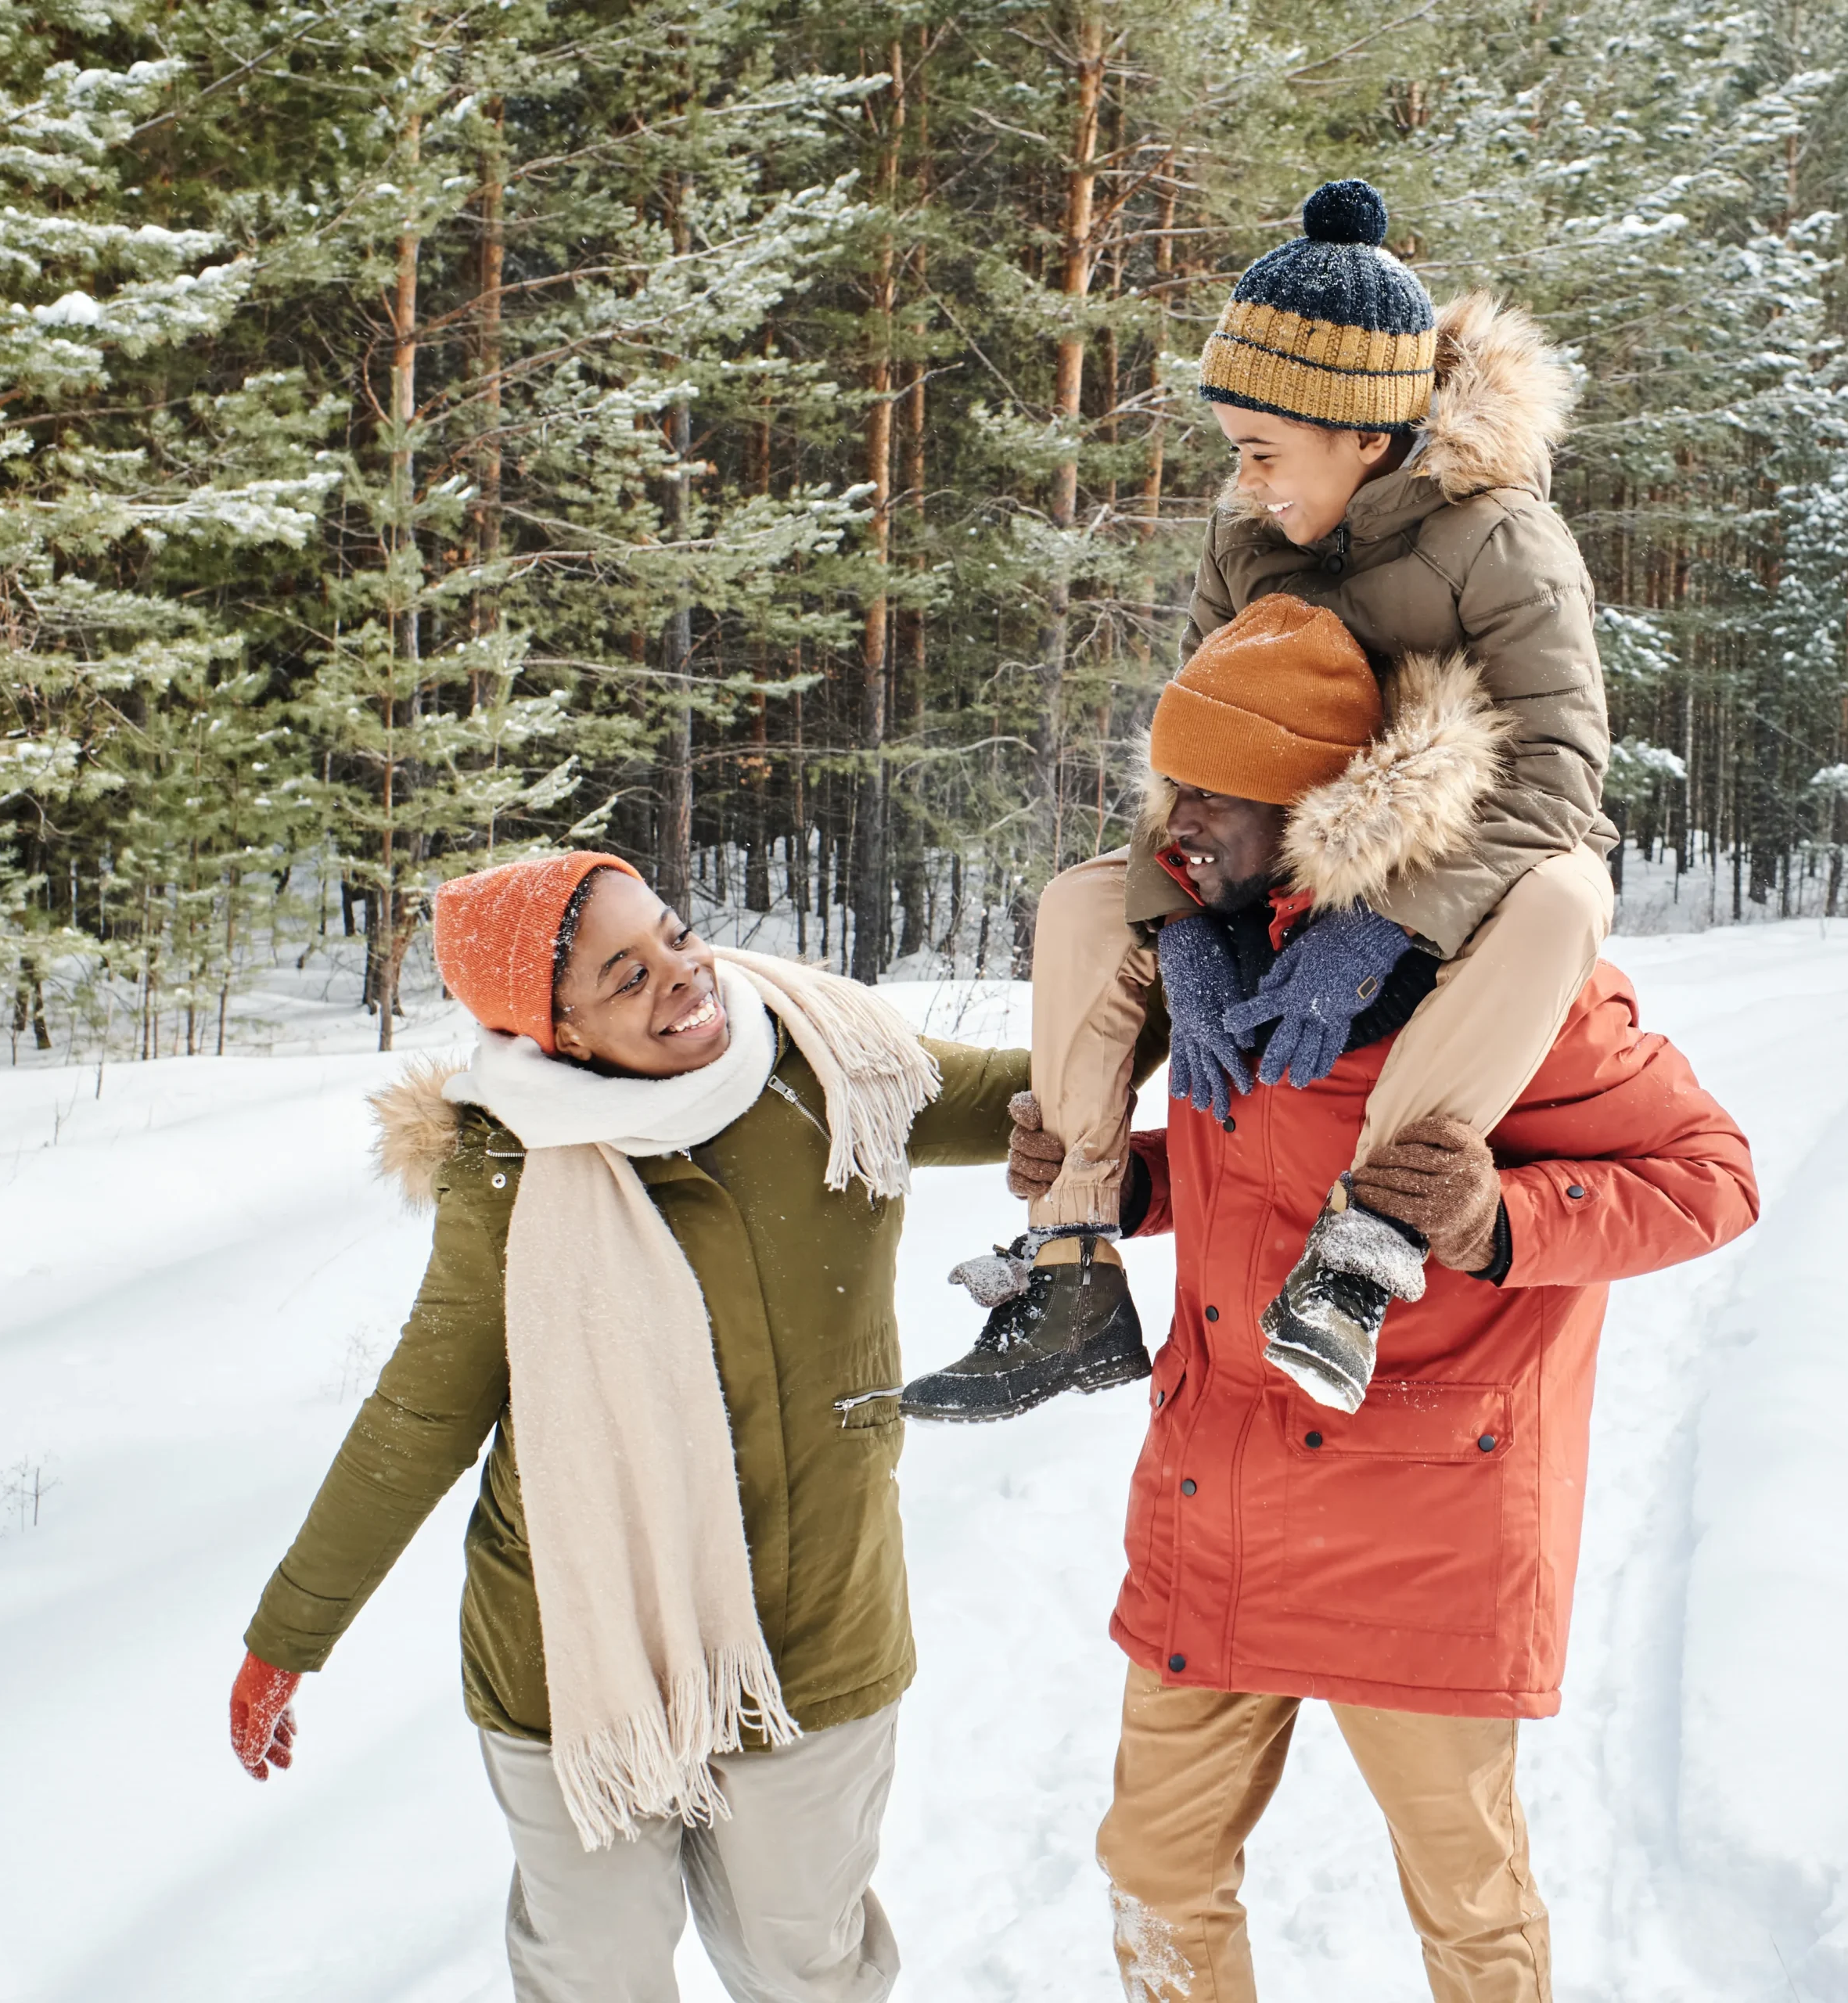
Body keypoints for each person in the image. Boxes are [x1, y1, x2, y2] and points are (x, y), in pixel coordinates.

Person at [1011, 653, 1758, 2000]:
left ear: (1320, 806)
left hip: (1426, 1514)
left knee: (1467, 1908)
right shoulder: (1200, 959)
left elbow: (1713, 1180)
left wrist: (1495, 1221)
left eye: (1219, 795)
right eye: (1170, 783)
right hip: (1217, 1487)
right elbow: (1261, 1174)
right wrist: (1132, 1180)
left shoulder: (1503, 983)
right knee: (1155, 1873)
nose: (1177, 820)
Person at [225, 852, 1026, 2003]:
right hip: (575, 1650)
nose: (684, 977)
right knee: (594, 1975)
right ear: (555, 1035)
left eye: (675, 935)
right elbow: (422, 1411)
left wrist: (1201, 967)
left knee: (807, 1967)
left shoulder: (829, 1066)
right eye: (626, 975)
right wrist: (286, 1639)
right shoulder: (509, 1160)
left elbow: (1050, 1091)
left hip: (811, 1635)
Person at [903, 173, 1616, 1424]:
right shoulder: (1246, 541)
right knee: (1083, 906)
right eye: (1238, 453)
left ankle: (1363, 1249)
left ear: (1362, 431)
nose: (1248, 482)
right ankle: (1071, 1266)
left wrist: (1387, 924)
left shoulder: (1503, 541)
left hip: (1454, 859)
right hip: (1274, 855)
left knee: (1568, 896)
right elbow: (1195, 753)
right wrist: (1187, 927)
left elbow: (1559, 772)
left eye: (1263, 451)